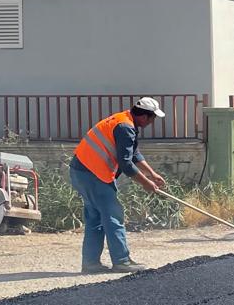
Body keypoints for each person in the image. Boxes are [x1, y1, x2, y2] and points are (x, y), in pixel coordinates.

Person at [69, 97, 167, 274]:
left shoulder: (124, 120)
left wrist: (151, 174)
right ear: (144, 116)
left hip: (81, 171)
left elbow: (133, 153)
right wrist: (146, 184)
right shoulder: (125, 128)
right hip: (93, 173)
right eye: (152, 118)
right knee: (113, 215)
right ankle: (122, 261)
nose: (152, 122)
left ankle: (91, 263)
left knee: (95, 218)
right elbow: (126, 164)